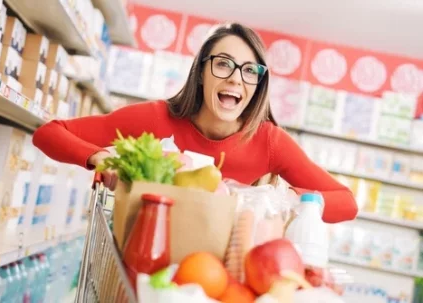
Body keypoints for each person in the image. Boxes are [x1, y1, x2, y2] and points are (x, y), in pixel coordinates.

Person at [33, 23, 358, 223]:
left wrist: (284, 200)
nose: (235, 79)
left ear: (259, 83)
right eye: (223, 64)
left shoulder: (268, 142)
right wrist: (103, 159)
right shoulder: (155, 119)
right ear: (201, 73)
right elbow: (49, 133)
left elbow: (346, 203)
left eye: (249, 70)